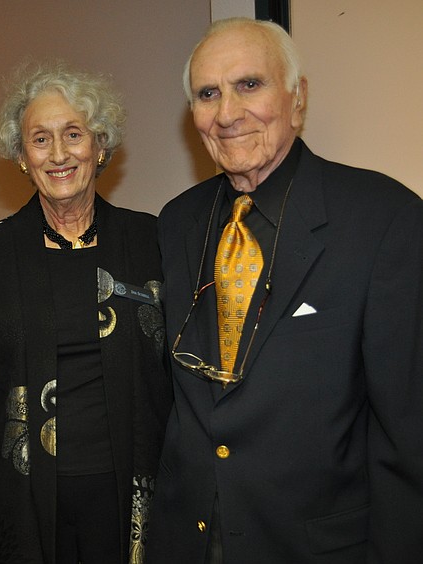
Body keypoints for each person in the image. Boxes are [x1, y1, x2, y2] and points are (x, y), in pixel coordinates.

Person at [146, 17, 423, 564]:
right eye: (207, 94)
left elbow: (407, 438)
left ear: (297, 98)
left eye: (249, 84)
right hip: (189, 540)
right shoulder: (177, 222)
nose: (227, 113)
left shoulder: (384, 218)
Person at [0, 61, 172, 564]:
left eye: (73, 134)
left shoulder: (152, 241)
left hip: (136, 492)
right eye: (40, 139)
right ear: (21, 156)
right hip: (25, 498)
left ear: (100, 146)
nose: (58, 154)